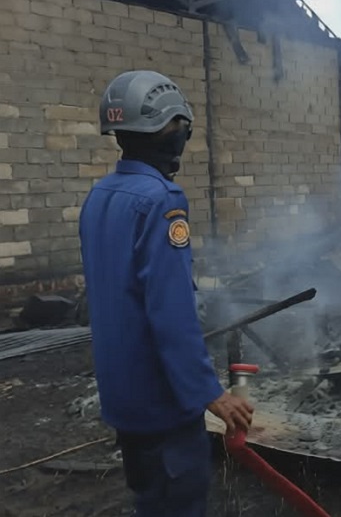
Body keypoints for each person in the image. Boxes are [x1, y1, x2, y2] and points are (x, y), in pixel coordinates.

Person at [79, 70, 254, 517]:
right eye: (180, 126)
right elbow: (169, 311)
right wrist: (208, 392)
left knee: (149, 500)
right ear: (170, 130)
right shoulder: (162, 200)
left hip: (122, 396)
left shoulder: (100, 196)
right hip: (162, 403)